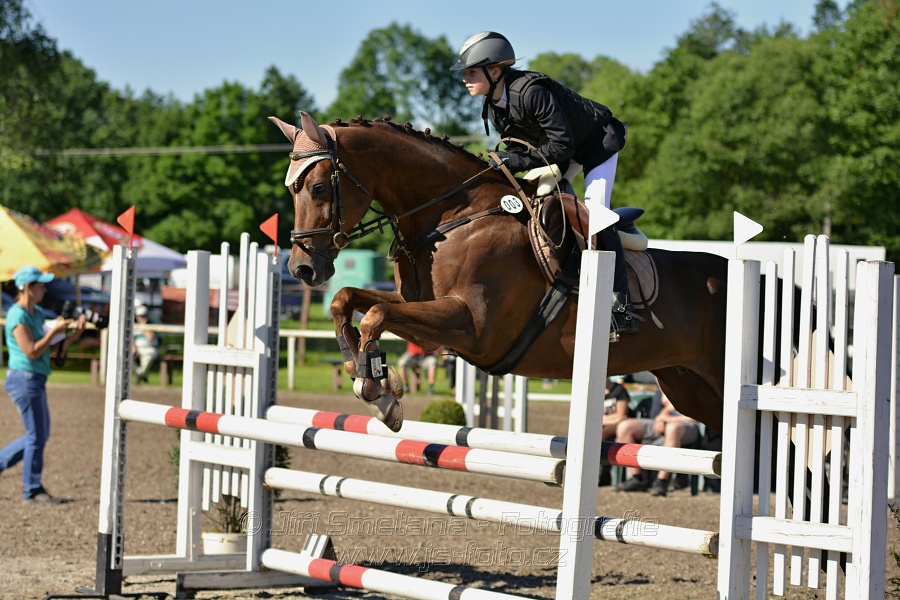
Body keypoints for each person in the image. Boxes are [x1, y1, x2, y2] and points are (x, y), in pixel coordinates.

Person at [450, 31, 638, 339]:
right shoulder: (494, 103)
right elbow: (516, 148)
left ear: (495, 71)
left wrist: (514, 162)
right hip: (562, 152)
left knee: (595, 218)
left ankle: (620, 309)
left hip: (596, 145)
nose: (465, 79)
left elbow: (560, 146)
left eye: (471, 72)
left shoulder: (531, 91)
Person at [0, 266, 85, 503]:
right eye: (40, 286)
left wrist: (71, 336)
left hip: (35, 378)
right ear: (28, 288)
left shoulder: (36, 313)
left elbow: (48, 347)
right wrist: (53, 332)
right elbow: (31, 351)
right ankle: (32, 489)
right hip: (24, 379)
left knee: (37, 435)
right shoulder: (17, 315)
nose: (44, 289)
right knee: (36, 436)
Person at [614, 388, 700, 497]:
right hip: (661, 423)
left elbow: (697, 417)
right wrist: (661, 417)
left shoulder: (694, 385)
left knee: (672, 428)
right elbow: (661, 413)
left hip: (686, 425)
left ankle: (662, 481)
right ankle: (637, 478)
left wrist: (666, 418)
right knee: (625, 426)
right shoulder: (665, 386)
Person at [133, 304, 159, 383]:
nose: (142, 318)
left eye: (144, 316)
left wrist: (144, 326)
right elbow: (131, 339)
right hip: (137, 348)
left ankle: (140, 375)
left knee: (150, 355)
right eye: (140, 316)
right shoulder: (134, 326)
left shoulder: (151, 325)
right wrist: (134, 348)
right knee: (126, 356)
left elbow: (151, 338)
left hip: (149, 348)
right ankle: (141, 374)